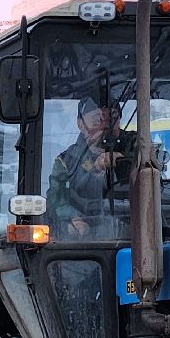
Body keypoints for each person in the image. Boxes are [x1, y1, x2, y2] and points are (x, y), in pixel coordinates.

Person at [47, 97, 134, 240]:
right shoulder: (66, 161)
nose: (105, 126)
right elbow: (56, 201)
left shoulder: (135, 145)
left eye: (112, 119)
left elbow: (156, 173)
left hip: (137, 233)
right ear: (80, 124)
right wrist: (72, 219)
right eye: (97, 120)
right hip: (85, 243)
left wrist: (128, 161)